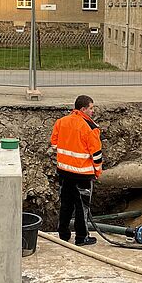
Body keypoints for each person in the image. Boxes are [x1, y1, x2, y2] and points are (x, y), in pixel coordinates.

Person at [50, 95, 103, 245]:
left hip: (63, 172)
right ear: (83, 109)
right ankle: (81, 237)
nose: (93, 111)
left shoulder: (61, 122)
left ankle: (63, 234)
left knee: (66, 204)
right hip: (82, 175)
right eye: (91, 108)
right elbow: (96, 155)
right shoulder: (91, 128)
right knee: (82, 207)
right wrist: (97, 172)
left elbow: (54, 144)